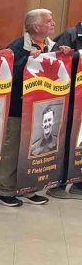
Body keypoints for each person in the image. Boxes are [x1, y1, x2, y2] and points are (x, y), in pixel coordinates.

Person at [0, 8, 72, 207]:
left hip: (42, 109)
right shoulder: (17, 46)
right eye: (48, 20)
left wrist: (64, 55)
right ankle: (5, 191)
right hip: (18, 108)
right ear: (36, 27)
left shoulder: (53, 46)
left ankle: (28, 188)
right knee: (13, 150)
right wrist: (27, 59)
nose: (53, 23)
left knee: (34, 150)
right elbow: (8, 73)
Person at [49, 17, 82, 199]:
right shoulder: (71, 33)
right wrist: (74, 55)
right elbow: (55, 61)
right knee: (66, 141)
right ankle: (57, 185)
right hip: (70, 99)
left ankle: (79, 184)